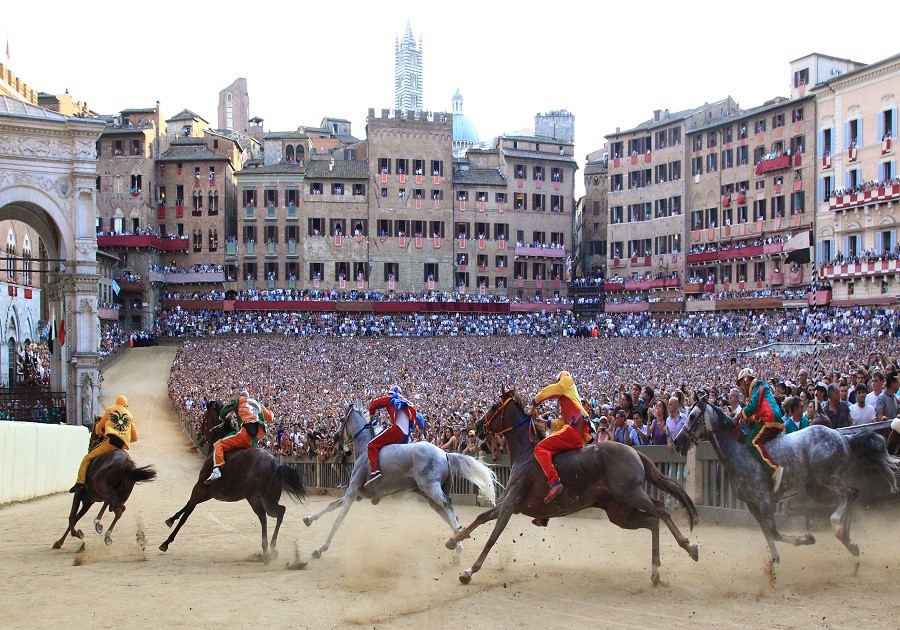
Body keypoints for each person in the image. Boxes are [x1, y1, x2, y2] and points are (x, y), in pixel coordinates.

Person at [529, 371, 591, 503]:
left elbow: (551, 390)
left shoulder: (566, 380)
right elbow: (562, 422)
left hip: (573, 433)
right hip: (575, 435)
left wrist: (534, 404)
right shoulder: (570, 398)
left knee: (539, 449)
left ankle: (554, 482)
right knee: (550, 455)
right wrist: (545, 422)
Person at [71, 395, 138, 493]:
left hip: (110, 444)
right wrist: (125, 439)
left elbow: (98, 426)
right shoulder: (130, 416)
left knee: (87, 458)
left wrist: (100, 433)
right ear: (125, 405)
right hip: (120, 448)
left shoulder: (110, 410)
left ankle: (80, 482)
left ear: (117, 403)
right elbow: (135, 438)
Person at [205, 389, 274, 484]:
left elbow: (224, 410)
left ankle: (216, 470)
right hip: (255, 440)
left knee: (219, 444)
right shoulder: (258, 403)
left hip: (245, 434)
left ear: (241, 396)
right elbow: (270, 418)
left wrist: (221, 418)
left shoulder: (239, 400)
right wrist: (270, 412)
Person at [734, 367, 786, 492]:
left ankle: (774, 470)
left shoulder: (759, 385)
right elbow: (751, 418)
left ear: (747, 380)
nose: (740, 390)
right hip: (767, 420)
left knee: (752, 443)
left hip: (770, 419)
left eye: (740, 384)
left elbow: (753, 406)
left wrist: (738, 416)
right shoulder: (752, 394)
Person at [364, 385, 425, 488]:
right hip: (405, 436)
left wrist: (371, 418)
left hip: (397, 430)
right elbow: (420, 422)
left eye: (389, 394)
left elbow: (373, 405)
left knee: (371, 445)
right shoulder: (408, 403)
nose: (389, 395)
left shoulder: (392, 399)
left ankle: (375, 471)